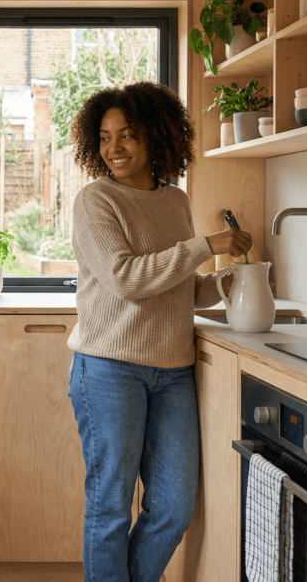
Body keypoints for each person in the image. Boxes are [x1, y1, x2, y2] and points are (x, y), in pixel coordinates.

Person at [65, 82, 251, 582]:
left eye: (127, 134)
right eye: (104, 138)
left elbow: (179, 289)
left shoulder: (175, 201)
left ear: (156, 138)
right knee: (110, 507)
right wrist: (205, 245)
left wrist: (233, 279)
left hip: (171, 371)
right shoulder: (96, 200)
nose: (115, 147)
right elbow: (127, 278)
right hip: (108, 370)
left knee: (173, 505)